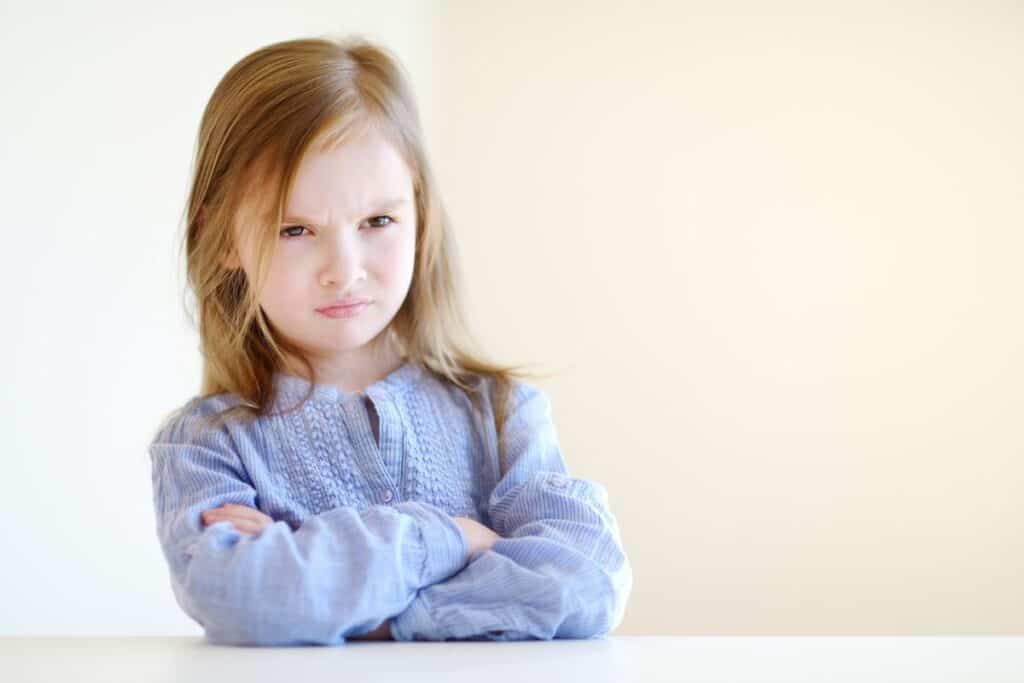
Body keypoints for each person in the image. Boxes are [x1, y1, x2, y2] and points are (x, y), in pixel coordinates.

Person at [149, 34, 632, 646]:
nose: (344, 268)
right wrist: (457, 538)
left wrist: (370, 614)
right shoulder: (205, 446)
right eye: (295, 229)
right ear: (223, 240)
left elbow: (586, 582)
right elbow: (246, 598)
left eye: (377, 221)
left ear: (419, 216)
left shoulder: (502, 413)